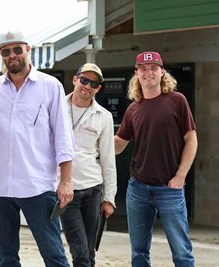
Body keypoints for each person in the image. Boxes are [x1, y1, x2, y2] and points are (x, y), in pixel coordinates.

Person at [0, 31, 75, 267]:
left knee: (54, 256)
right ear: (1, 55)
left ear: (28, 50)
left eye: (17, 49)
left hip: (38, 187)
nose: (12, 55)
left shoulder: (50, 86)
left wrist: (66, 181)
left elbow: (64, 137)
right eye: (6, 51)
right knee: (6, 259)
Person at [114, 51, 197, 267]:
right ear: (137, 74)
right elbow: (118, 145)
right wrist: (93, 137)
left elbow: (191, 140)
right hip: (138, 188)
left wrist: (180, 176)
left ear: (162, 72)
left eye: (153, 68)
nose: (148, 73)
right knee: (139, 252)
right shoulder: (133, 109)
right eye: (143, 69)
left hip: (170, 188)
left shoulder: (177, 101)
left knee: (181, 251)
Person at [60, 63, 117, 267]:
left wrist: (109, 197)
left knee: (89, 251)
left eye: (94, 83)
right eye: (84, 80)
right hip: (66, 191)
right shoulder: (56, 107)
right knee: (80, 250)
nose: (87, 86)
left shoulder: (104, 116)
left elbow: (108, 159)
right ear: (74, 80)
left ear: (98, 88)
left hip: (93, 190)